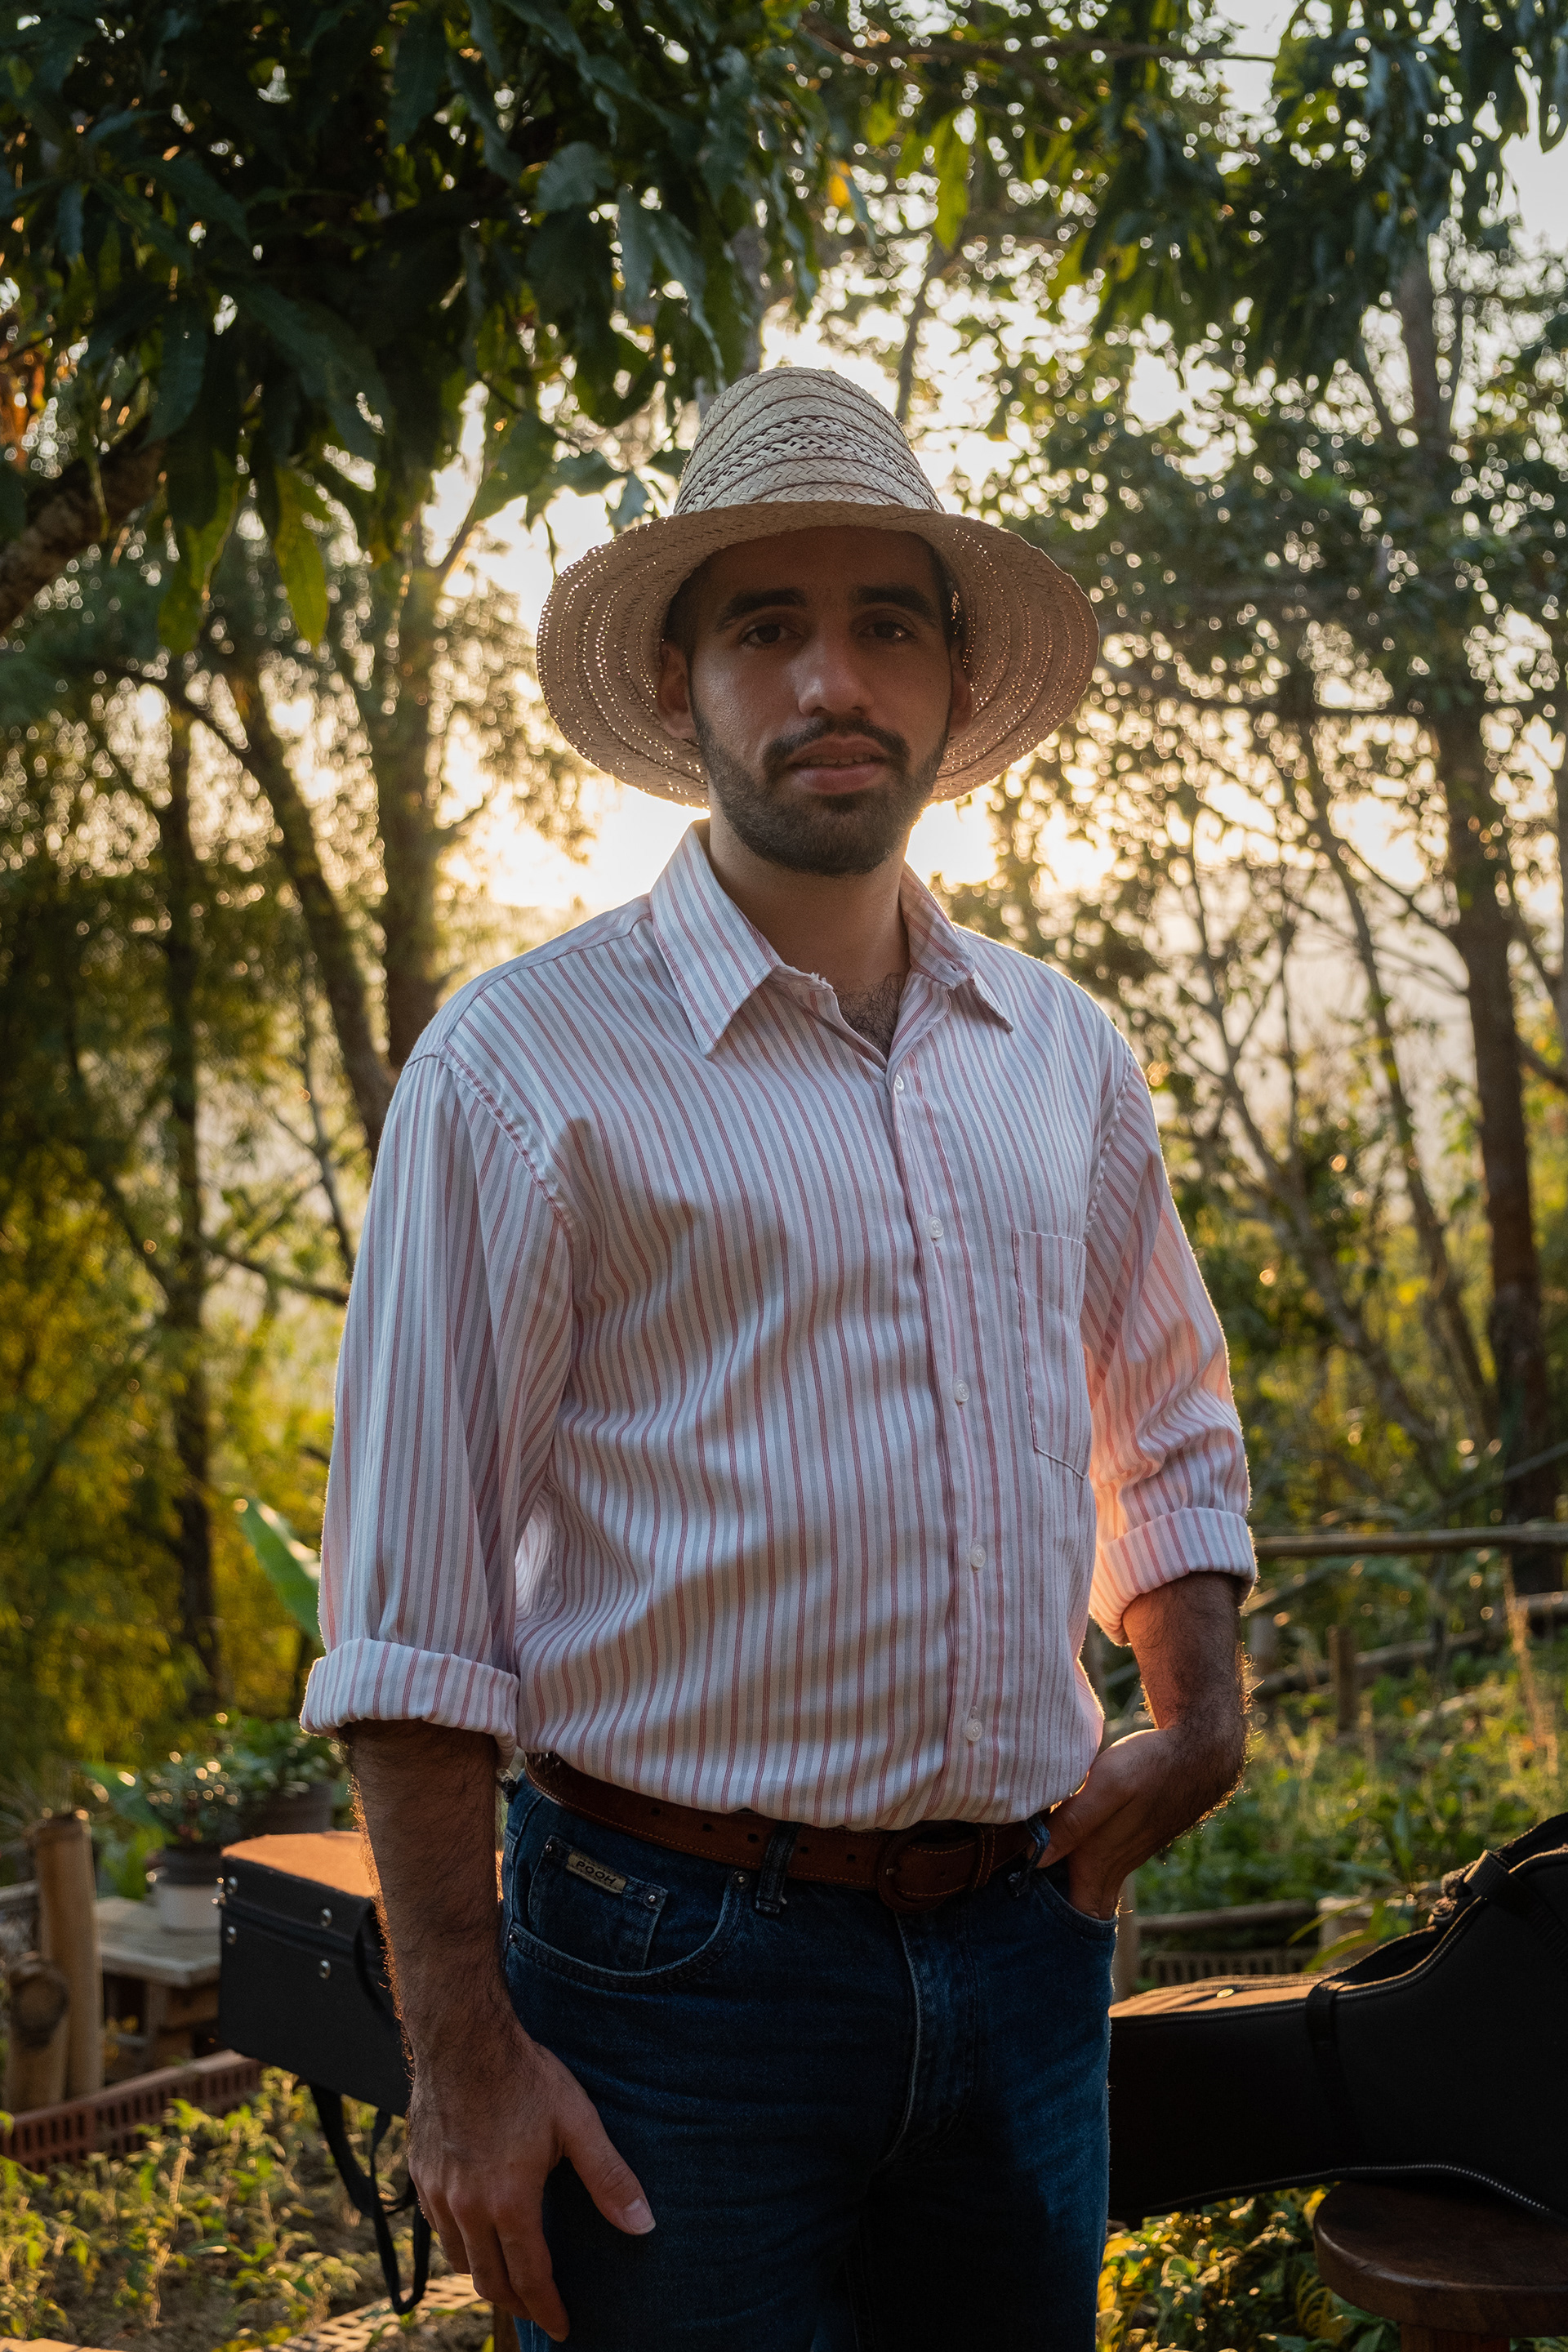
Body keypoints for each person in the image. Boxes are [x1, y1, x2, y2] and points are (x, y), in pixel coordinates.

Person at [301, 369, 1254, 2351]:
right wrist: (461, 2053)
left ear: (947, 677)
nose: (834, 677)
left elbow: (1159, 1406)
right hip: (669, 1980)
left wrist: (1200, 1710)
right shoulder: (520, 1071)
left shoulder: (1060, 1055)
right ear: (685, 687)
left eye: (885, 622)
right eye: (767, 627)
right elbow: (411, 1613)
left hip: (1021, 1955)